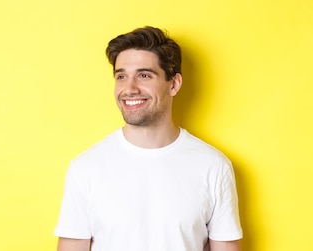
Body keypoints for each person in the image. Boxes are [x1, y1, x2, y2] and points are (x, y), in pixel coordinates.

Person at [54, 26, 243, 251]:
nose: (129, 88)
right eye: (121, 76)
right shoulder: (85, 167)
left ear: (173, 84)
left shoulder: (213, 166)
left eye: (144, 75)